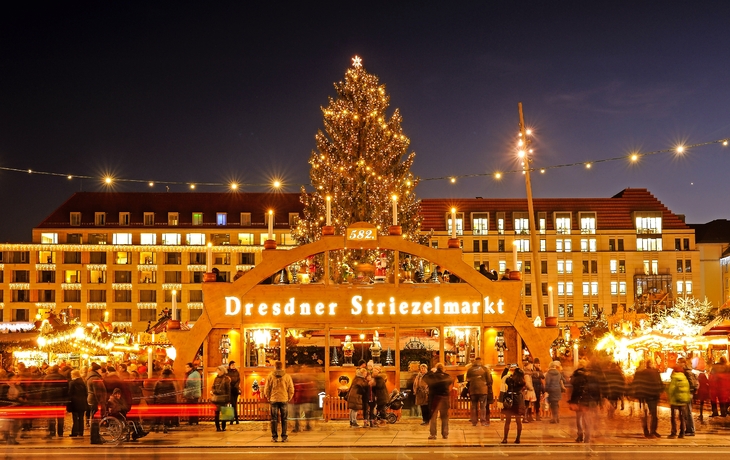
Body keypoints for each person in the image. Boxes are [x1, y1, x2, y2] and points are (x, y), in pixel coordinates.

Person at [569, 359, 601, 443]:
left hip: (579, 400)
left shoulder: (576, 376)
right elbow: (596, 389)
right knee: (587, 419)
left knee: (579, 418)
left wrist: (573, 401)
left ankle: (580, 435)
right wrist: (597, 400)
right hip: (588, 400)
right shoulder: (591, 376)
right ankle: (587, 437)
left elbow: (574, 390)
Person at [263, 361, 295, 443]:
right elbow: (291, 389)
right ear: (282, 366)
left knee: (274, 419)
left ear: (275, 367)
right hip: (284, 399)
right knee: (284, 419)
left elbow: (267, 389)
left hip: (273, 399)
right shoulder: (287, 376)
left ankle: (274, 437)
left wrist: (269, 397)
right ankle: (284, 436)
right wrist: (288, 397)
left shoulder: (270, 376)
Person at [631, 360, 663, 438]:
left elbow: (636, 383)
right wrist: (660, 391)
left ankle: (647, 431)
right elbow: (660, 383)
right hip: (653, 395)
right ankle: (653, 431)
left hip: (645, 395)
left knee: (645, 414)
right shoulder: (656, 372)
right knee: (654, 414)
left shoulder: (641, 373)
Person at [423, 363, 454, 440]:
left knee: (433, 416)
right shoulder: (447, 376)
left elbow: (424, 378)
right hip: (444, 398)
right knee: (444, 417)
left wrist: (431, 371)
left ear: (436, 368)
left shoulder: (432, 376)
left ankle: (433, 434)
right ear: (443, 369)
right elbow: (451, 381)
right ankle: (445, 434)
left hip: (434, 398)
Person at [499, 364, 526, 444]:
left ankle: (505, 439)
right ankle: (518, 439)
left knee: (508, 420)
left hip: (510, 400)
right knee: (518, 421)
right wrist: (518, 368)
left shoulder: (509, 379)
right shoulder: (522, 381)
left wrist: (507, 368)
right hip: (519, 400)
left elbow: (503, 376)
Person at [42, 364, 69, 439]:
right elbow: (66, 389)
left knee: (51, 416)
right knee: (60, 417)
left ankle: (52, 432)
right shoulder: (62, 377)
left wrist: (44, 399)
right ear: (58, 370)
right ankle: (60, 432)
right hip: (60, 399)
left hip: (50, 399)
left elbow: (43, 389)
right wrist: (65, 399)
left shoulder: (47, 377)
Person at [466, 357, 492, 426]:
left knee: (474, 406)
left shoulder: (470, 369)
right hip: (482, 390)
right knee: (483, 406)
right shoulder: (484, 369)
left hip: (473, 390)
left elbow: (468, 379)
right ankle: (483, 421)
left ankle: (474, 422)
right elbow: (489, 380)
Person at [667, 365, 691, 439]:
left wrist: (669, 397)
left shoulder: (674, 378)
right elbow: (687, 389)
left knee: (673, 417)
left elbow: (671, 390)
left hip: (675, 400)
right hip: (683, 400)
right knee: (682, 417)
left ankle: (674, 433)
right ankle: (682, 432)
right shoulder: (684, 378)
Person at [676, 357, 698, 436]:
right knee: (686, 412)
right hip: (687, 393)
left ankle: (691, 430)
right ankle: (688, 429)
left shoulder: (687, 372)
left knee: (688, 412)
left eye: (679, 362)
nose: (678, 363)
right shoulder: (686, 371)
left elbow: (691, 384)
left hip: (688, 393)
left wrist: (688, 390)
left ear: (683, 363)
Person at [152, 368, 177, 433]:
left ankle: (156, 426)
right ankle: (165, 427)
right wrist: (174, 401)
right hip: (167, 400)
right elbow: (173, 393)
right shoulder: (170, 382)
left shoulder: (158, 382)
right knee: (166, 415)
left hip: (159, 400)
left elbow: (155, 392)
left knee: (158, 414)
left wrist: (154, 400)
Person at [68, 369, 88, 437]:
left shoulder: (72, 383)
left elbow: (70, 393)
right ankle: (81, 432)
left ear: (73, 375)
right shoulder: (83, 382)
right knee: (81, 418)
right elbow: (86, 393)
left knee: (75, 418)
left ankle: (74, 432)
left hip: (75, 403)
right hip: (82, 402)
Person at [210, 365, 231, 432]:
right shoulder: (216, 378)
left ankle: (223, 426)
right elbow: (213, 387)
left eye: (218, 370)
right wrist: (214, 391)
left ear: (222, 371)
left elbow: (228, 389)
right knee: (216, 414)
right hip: (217, 399)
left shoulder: (226, 379)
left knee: (224, 414)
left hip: (224, 398)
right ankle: (218, 427)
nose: (217, 371)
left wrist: (228, 398)